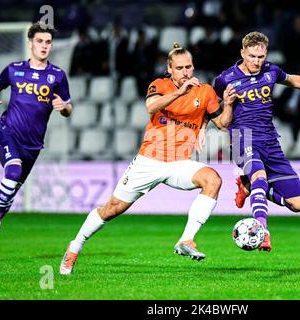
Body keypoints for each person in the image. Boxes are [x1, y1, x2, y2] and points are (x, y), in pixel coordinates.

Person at [59, 43, 235, 275]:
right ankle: (75, 246)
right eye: (180, 68)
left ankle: (186, 240)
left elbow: (222, 124)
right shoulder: (159, 85)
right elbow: (151, 106)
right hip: (149, 162)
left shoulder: (204, 91)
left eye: (189, 67)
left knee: (212, 179)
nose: (185, 72)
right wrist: (179, 93)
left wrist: (229, 105)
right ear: (170, 69)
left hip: (178, 163)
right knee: (112, 209)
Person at [213, 31, 300, 251]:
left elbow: (294, 80)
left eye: (261, 57)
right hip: (243, 138)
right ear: (242, 53)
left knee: (298, 204)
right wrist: (228, 105)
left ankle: (248, 185)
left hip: (270, 140)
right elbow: (220, 123)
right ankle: (262, 230)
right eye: (252, 56)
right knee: (260, 175)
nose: (257, 62)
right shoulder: (224, 80)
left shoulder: (271, 71)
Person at [0, 22, 73, 253]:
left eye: (48, 42)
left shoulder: (58, 76)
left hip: (33, 145)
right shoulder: (13, 69)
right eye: (39, 41)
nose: (44, 46)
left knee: (11, 190)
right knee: (13, 172)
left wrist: (64, 107)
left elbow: (69, 108)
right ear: (30, 43)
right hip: (7, 133)